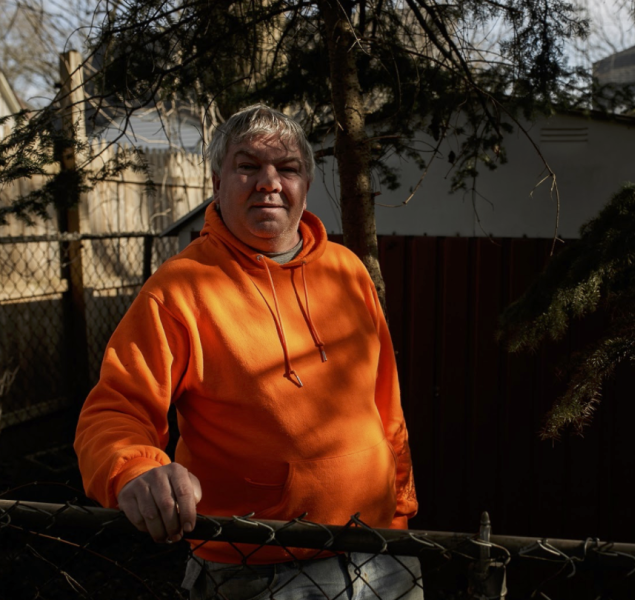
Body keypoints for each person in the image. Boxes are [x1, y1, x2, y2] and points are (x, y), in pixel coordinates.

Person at [74, 104, 421, 599]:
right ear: (217, 180)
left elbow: (386, 406)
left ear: (305, 183)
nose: (269, 182)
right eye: (248, 166)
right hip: (256, 568)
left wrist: (402, 509)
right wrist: (136, 468)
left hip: (382, 553)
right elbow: (115, 407)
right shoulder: (181, 288)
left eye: (287, 168)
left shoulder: (348, 271)